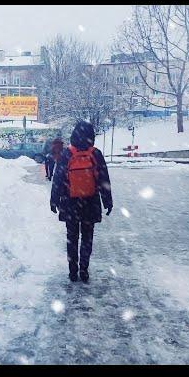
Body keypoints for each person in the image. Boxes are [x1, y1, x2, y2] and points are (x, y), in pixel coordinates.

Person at [50, 120, 113, 283]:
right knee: (87, 238)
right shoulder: (95, 153)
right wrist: (108, 201)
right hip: (90, 202)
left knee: (72, 237)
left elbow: (58, 178)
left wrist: (54, 200)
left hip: (70, 202)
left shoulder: (66, 154)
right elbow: (104, 179)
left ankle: (72, 271)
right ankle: (84, 270)